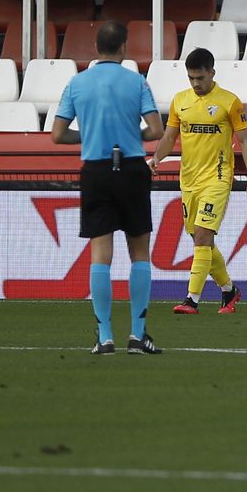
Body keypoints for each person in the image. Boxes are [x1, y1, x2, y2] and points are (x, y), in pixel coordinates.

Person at [51, 21, 166, 355]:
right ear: (124, 47)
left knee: (101, 255)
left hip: (96, 170)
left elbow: (58, 134)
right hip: (131, 168)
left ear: (96, 47)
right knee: (139, 253)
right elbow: (155, 130)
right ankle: (137, 335)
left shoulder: (77, 83)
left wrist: (89, 134)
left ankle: (104, 337)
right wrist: (131, 134)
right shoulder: (136, 81)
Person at [149, 48, 247, 316]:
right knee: (202, 241)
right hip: (189, 180)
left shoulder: (229, 102)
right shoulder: (180, 101)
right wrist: (156, 158)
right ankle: (229, 290)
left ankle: (191, 300)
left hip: (218, 178)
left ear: (212, 73)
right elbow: (169, 136)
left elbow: (245, 142)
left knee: (202, 235)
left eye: (200, 77)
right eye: (191, 78)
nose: (196, 83)